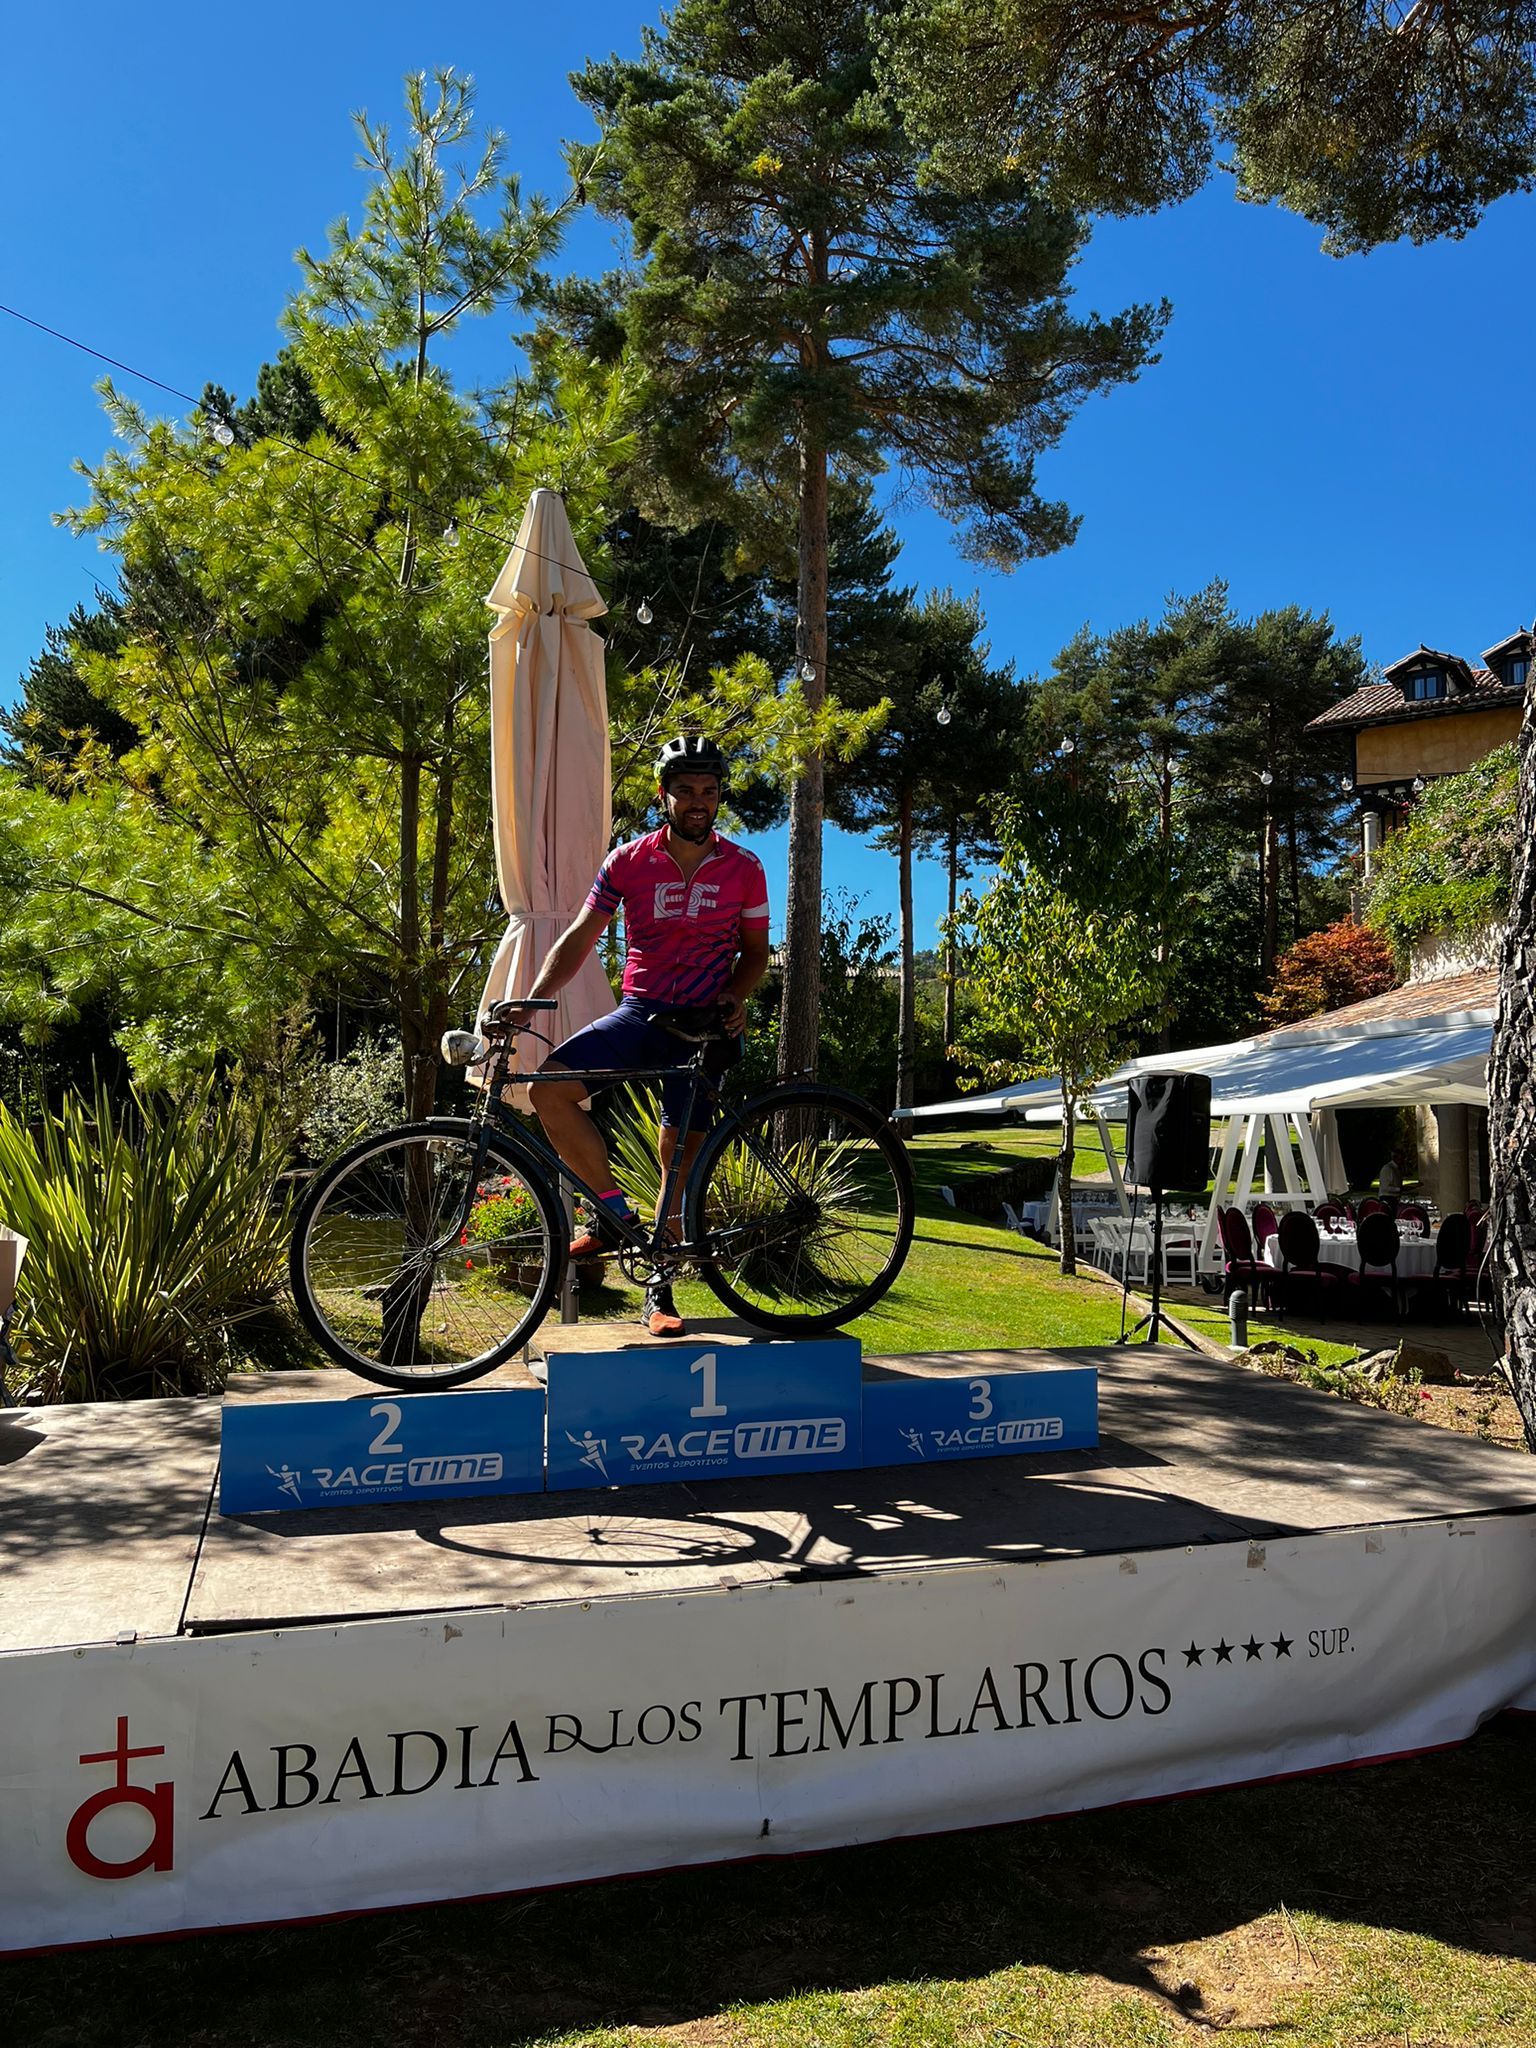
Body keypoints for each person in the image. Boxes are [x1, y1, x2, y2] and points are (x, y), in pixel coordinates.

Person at [504, 735, 771, 1337]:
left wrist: (737, 994)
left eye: (708, 791)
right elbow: (579, 936)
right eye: (685, 791)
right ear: (664, 795)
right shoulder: (626, 860)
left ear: (719, 796)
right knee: (549, 1090)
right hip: (641, 1011)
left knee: (676, 1158)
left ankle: (659, 1287)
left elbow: (755, 953)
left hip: (705, 1026)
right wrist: (532, 1000)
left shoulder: (745, 869)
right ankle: (610, 1216)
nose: (698, 802)